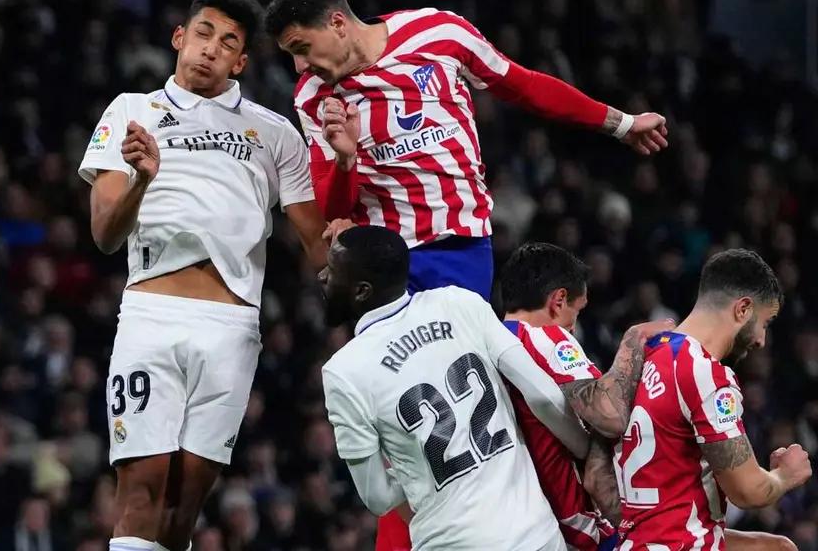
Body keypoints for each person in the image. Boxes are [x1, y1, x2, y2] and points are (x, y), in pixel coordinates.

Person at [264, 0, 670, 546]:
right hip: (390, 272)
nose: (301, 67)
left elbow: (523, 84)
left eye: (301, 48)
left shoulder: (440, 34)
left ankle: (587, 511)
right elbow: (335, 216)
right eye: (290, 57)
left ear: (336, 21)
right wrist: (346, 157)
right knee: (411, 432)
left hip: (461, 258)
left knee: (491, 409)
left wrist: (619, 122)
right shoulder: (315, 98)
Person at [77, 0, 327, 551]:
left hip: (232, 330)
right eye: (204, 33)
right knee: (140, 488)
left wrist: (345, 161)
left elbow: (317, 244)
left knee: (185, 502)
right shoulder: (132, 110)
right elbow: (104, 234)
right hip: (151, 315)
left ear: (241, 61)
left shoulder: (275, 133)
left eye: (229, 41)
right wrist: (144, 178)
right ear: (180, 38)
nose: (211, 48)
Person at [318, 225, 589, 550]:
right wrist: (587, 452)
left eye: (332, 270)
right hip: (534, 537)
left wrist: (417, 471)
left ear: (362, 290)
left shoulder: (343, 372)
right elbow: (542, 396)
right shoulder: (459, 301)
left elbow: (377, 498)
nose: (322, 276)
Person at [616, 249, 809, 550]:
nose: (761, 340)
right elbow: (748, 492)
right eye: (765, 323)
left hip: (639, 538)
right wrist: (786, 475)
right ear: (742, 309)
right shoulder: (706, 373)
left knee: (778, 548)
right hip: (677, 545)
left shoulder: (650, 352)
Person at [498, 243, 670, 551]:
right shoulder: (543, 337)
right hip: (576, 526)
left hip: (516, 517)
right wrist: (632, 342)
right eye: (576, 312)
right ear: (558, 300)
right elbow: (611, 417)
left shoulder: (487, 344)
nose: (573, 326)